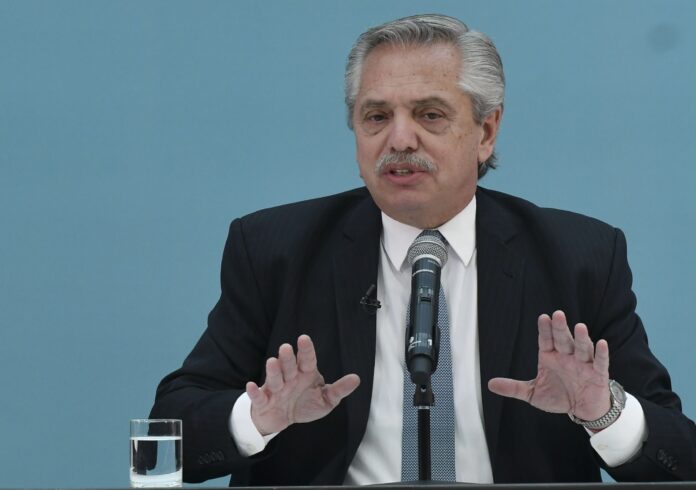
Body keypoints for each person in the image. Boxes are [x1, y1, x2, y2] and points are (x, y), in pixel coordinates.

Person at [150, 14, 696, 485]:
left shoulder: (579, 257)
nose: (400, 140)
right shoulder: (276, 250)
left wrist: (603, 413)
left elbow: (681, 459)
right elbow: (170, 433)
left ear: (486, 131)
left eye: (430, 115)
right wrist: (257, 418)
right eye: (376, 116)